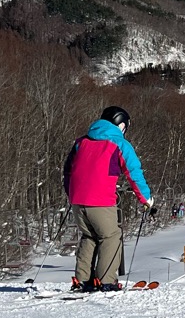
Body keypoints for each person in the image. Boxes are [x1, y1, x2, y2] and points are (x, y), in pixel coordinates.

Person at [63, 105, 153, 291]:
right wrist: (145, 199)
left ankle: (83, 280)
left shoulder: (81, 142)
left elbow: (68, 170)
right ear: (121, 125)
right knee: (111, 236)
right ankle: (106, 281)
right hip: (101, 201)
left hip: (77, 200)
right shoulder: (119, 144)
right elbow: (134, 173)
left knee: (89, 236)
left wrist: (71, 193)